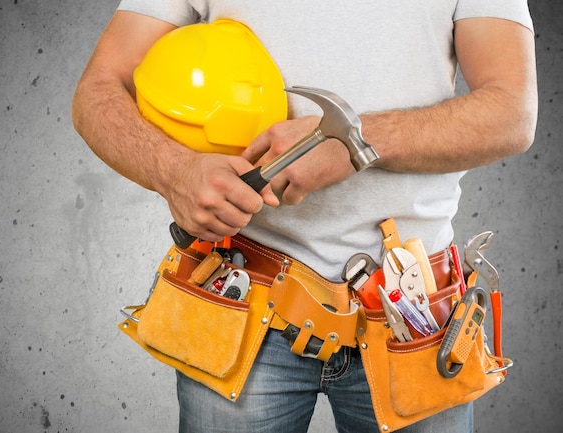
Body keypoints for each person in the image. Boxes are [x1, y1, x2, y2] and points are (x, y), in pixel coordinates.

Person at [72, 1, 538, 432]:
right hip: (243, 300)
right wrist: (173, 171)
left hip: (413, 320)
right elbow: (99, 86)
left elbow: (512, 112)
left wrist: (358, 141)